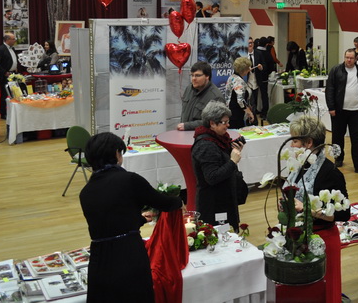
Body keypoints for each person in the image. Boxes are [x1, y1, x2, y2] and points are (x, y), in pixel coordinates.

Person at [79, 132, 183, 303]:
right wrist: (179, 201)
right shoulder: (129, 180)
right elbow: (163, 203)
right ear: (116, 154)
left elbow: (108, 223)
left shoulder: (86, 192)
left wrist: (139, 219)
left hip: (100, 259)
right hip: (128, 255)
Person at [286, 116, 350, 303]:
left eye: (295, 141)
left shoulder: (330, 173)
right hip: (298, 237)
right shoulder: (300, 165)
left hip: (322, 240)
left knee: (323, 291)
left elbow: (343, 214)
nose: (291, 145)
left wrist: (306, 208)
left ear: (308, 143)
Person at [191, 101, 245, 230]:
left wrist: (233, 151)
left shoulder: (219, 139)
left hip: (223, 199)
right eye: (224, 122)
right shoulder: (206, 146)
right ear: (212, 123)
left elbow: (221, 160)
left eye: (228, 121)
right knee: (221, 237)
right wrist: (232, 161)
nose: (228, 125)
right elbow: (212, 177)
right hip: (214, 204)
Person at [325, 48, 358, 175]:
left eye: (351, 58)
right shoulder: (336, 70)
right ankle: (338, 159)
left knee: (357, 139)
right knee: (337, 136)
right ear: (344, 57)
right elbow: (330, 89)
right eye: (347, 57)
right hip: (339, 110)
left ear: (355, 59)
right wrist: (331, 107)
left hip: (357, 110)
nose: (349, 60)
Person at [177, 61, 224, 131]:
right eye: (192, 75)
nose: (193, 78)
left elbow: (214, 121)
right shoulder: (189, 89)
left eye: (197, 75)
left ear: (207, 76)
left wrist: (187, 126)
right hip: (184, 133)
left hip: (203, 135)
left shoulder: (216, 97)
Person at [224, 57, 255, 128]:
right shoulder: (239, 81)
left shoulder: (232, 77)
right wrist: (249, 112)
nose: (249, 69)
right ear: (244, 70)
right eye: (248, 68)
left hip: (229, 110)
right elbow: (240, 100)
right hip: (236, 114)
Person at [0, 32, 18, 119]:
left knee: (14, 93)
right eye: (13, 39)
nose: (15, 40)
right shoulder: (0, 49)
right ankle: (3, 113)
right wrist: (4, 72)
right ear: (7, 40)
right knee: (5, 94)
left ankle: (14, 111)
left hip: (14, 74)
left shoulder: (13, 48)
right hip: (6, 75)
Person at [254, 38, 276, 118]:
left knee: (254, 94)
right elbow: (271, 65)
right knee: (264, 94)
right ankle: (264, 112)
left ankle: (255, 109)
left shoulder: (254, 52)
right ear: (266, 44)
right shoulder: (267, 53)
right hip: (264, 76)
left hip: (253, 76)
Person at [245, 38, 260, 113]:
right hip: (247, 81)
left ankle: (254, 113)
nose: (250, 44)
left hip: (256, 81)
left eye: (251, 43)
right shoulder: (244, 55)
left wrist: (261, 67)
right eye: (248, 43)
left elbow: (264, 65)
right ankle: (251, 115)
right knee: (250, 100)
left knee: (255, 100)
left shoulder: (258, 53)